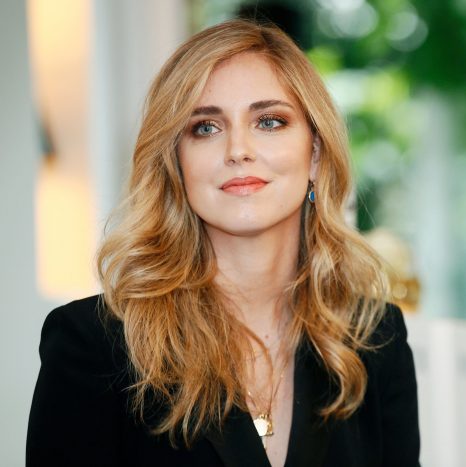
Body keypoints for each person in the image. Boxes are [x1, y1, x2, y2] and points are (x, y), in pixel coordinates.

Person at [26, 19, 420, 467]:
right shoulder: (94, 344)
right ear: (176, 164)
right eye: (206, 128)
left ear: (314, 154)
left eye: (269, 121)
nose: (238, 150)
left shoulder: (374, 340)